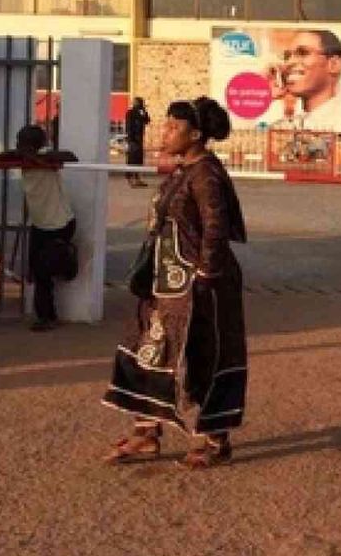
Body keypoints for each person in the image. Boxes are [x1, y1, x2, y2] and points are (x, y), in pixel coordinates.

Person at [103, 96, 248, 469]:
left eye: (174, 127)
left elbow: (215, 228)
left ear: (196, 134)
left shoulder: (206, 174)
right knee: (148, 347)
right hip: (166, 283)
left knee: (205, 354)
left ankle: (216, 440)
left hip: (202, 285)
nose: (164, 132)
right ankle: (146, 433)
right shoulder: (183, 170)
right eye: (164, 125)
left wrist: (205, 276)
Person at [0, 125, 77, 332]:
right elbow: (0, 159)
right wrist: (24, 155)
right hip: (40, 224)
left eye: (22, 142)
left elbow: (71, 156)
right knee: (35, 271)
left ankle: (47, 316)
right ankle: (47, 315)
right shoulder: (20, 157)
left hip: (61, 223)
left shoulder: (48, 158)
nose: (17, 145)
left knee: (43, 271)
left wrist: (41, 158)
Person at [274, 29, 341, 131]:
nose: (289, 62)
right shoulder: (283, 127)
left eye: (303, 53)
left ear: (334, 65)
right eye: (287, 56)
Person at [124, 97, 150, 188]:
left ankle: (137, 178)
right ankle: (131, 179)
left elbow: (147, 121)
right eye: (140, 103)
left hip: (139, 140)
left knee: (139, 159)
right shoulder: (130, 113)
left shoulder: (141, 112)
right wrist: (130, 139)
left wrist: (144, 112)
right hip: (133, 140)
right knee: (132, 159)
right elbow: (129, 127)